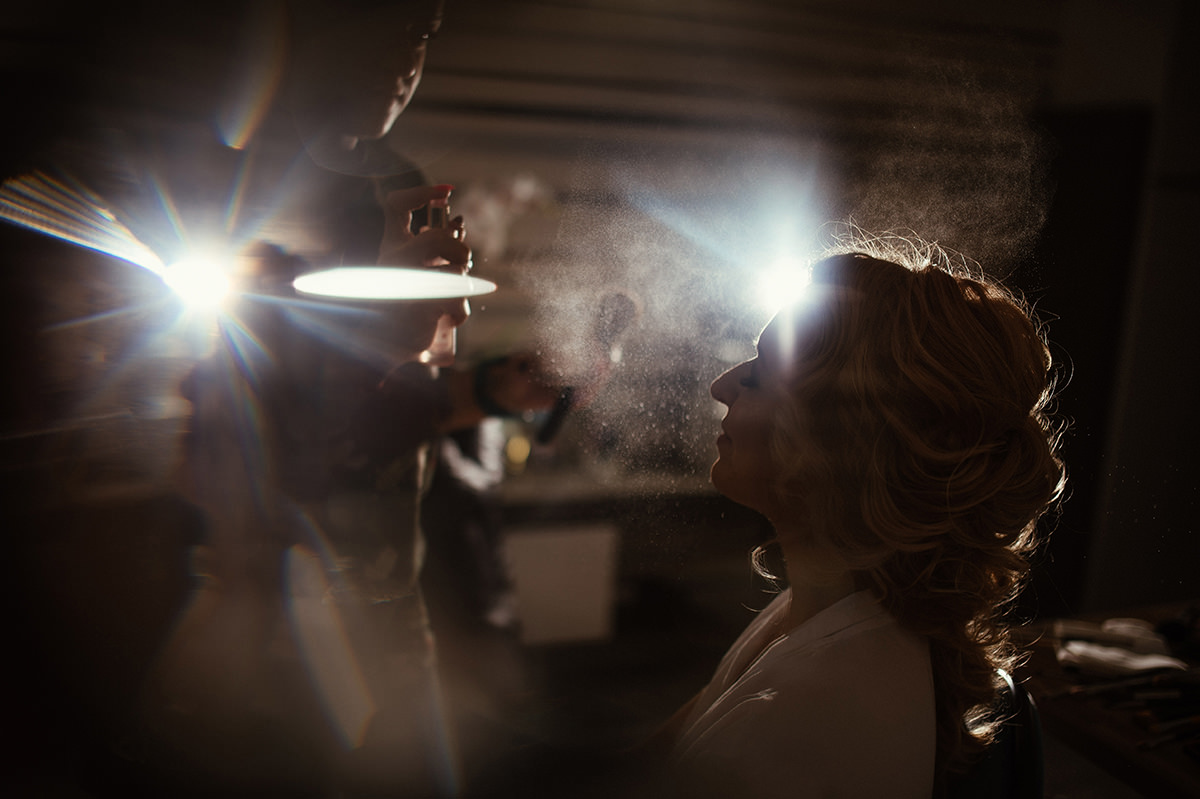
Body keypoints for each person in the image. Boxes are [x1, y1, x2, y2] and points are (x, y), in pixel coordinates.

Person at [660, 242, 1065, 798]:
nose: (722, 385)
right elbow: (668, 747)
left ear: (835, 445)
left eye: (759, 375)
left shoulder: (799, 731)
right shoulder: (832, 604)